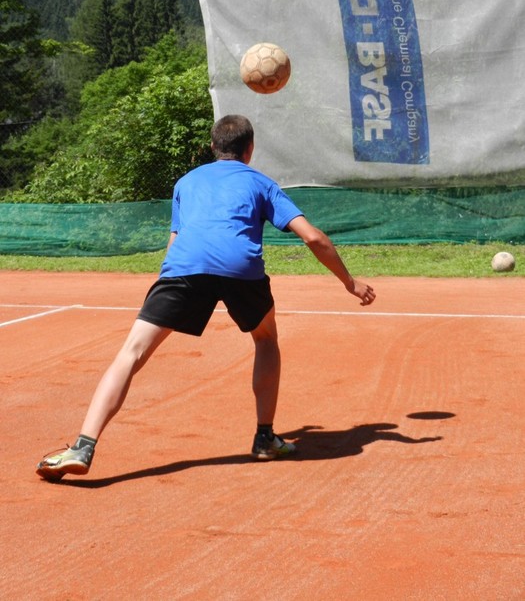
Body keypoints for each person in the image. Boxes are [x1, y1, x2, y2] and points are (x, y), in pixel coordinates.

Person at [36, 114, 376, 481]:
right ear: (249, 149)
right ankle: (265, 437)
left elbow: (175, 240)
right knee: (265, 338)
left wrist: (167, 286)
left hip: (184, 266)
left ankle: (83, 446)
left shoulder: (186, 182)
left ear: (213, 147)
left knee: (131, 352)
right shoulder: (261, 183)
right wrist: (349, 282)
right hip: (240, 269)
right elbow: (312, 237)